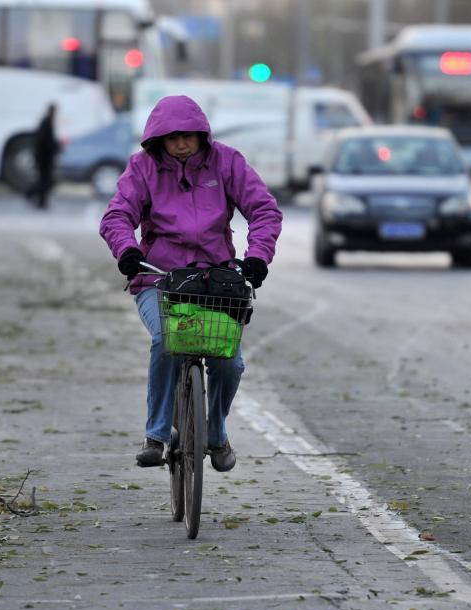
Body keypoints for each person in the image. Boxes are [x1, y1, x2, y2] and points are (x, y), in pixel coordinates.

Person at [99, 95, 282, 471]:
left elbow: (264, 210)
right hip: (158, 277)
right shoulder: (143, 168)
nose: (181, 143)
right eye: (172, 137)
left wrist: (257, 257)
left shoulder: (227, 162)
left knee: (229, 362)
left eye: (188, 135)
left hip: (215, 280)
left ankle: (216, 432)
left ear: (202, 135)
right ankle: (156, 434)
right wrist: (127, 250)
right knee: (167, 339)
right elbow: (117, 214)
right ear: (157, 140)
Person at [28, 103, 60, 209]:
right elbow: (46, 141)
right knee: (45, 180)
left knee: (45, 180)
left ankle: (42, 201)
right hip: (44, 158)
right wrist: (56, 147)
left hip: (45, 157)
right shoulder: (46, 123)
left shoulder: (47, 122)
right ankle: (31, 193)